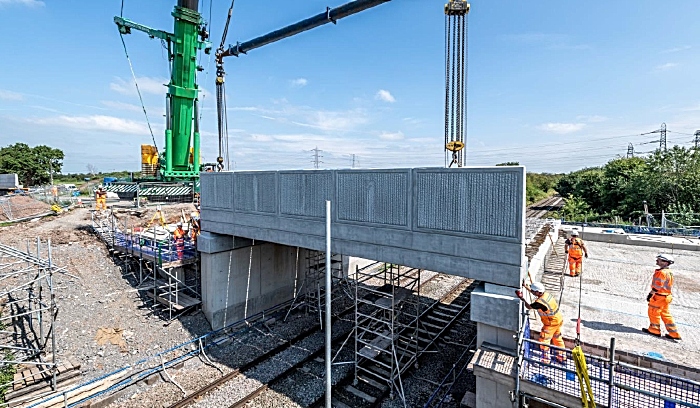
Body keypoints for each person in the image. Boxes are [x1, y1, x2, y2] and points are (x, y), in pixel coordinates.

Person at [516, 282, 566, 364]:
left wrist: (522, 298)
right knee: (557, 338)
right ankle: (561, 357)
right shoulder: (546, 295)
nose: (532, 292)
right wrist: (525, 286)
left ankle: (546, 360)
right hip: (558, 319)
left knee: (544, 340)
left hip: (550, 323)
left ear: (538, 292)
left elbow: (528, 306)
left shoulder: (540, 302)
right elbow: (534, 292)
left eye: (533, 291)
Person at [643, 254, 682, 340]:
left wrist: (650, 294)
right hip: (666, 297)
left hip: (659, 297)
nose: (657, 261)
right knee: (666, 314)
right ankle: (674, 333)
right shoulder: (668, 272)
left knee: (653, 313)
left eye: (659, 260)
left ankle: (654, 330)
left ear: (665, 262)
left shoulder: (661, 273)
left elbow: (657, 286)